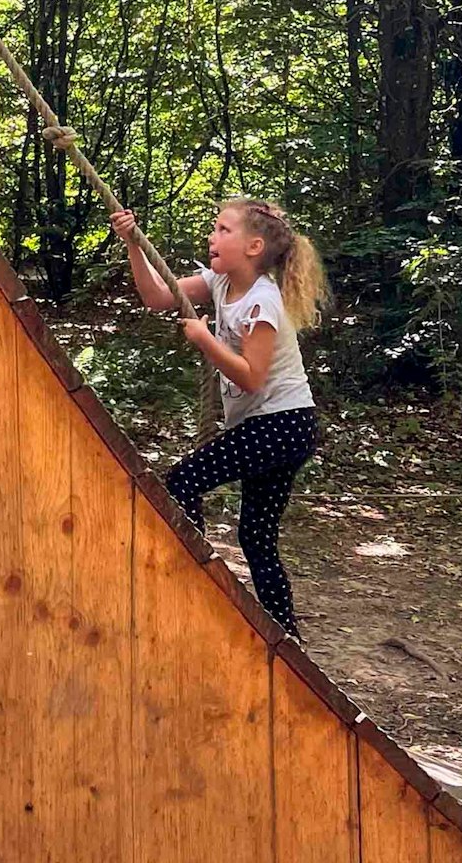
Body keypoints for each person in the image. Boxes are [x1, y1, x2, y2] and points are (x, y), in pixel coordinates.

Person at [108, 199, 329, 639]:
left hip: (282, 425)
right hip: (279, 427)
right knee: (255, 536)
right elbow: (157, 296)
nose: (212, 236)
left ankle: (197, 587)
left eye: (223, 230)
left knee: (182, 482)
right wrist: (133, 243)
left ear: (253, 246)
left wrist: (205, 340)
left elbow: (251, 377)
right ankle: (286, 635)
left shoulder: (262, 302)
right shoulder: (221, 281)